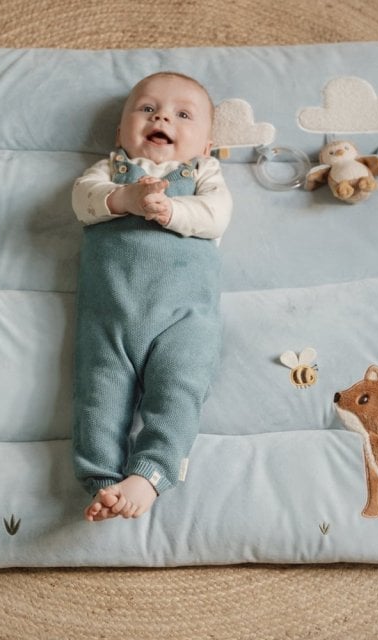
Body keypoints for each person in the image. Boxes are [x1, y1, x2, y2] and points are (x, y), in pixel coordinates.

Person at [71, 72, 233, 522]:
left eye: (183, 114)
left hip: (185, 319)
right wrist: (125, 199)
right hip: (109, 317)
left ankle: (151, 474)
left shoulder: (203, 173)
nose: (162, 117)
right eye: (147, 109)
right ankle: (102, 481)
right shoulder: (110, 171)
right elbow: (82, 201)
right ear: (119, 133)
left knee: (179, 392)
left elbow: (217, 215)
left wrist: (172, 209)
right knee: (97, 396)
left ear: (206, 146)